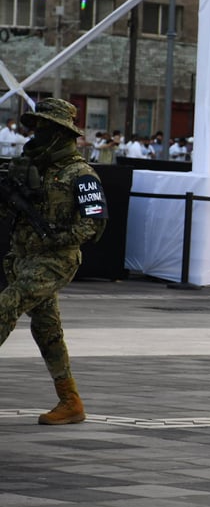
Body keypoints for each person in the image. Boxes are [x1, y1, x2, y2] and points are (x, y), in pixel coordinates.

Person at [0, 98, 108, 424]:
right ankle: (70, 400)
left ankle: (70, 400)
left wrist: (56, 237)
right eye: (36, 128)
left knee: (7, 304)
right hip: (21, 257)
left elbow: (95, 223)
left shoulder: (81, 174)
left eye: (45, 128)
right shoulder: (30, 167)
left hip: (56, 260)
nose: (37, 135)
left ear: (61, 133)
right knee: (47, 329)